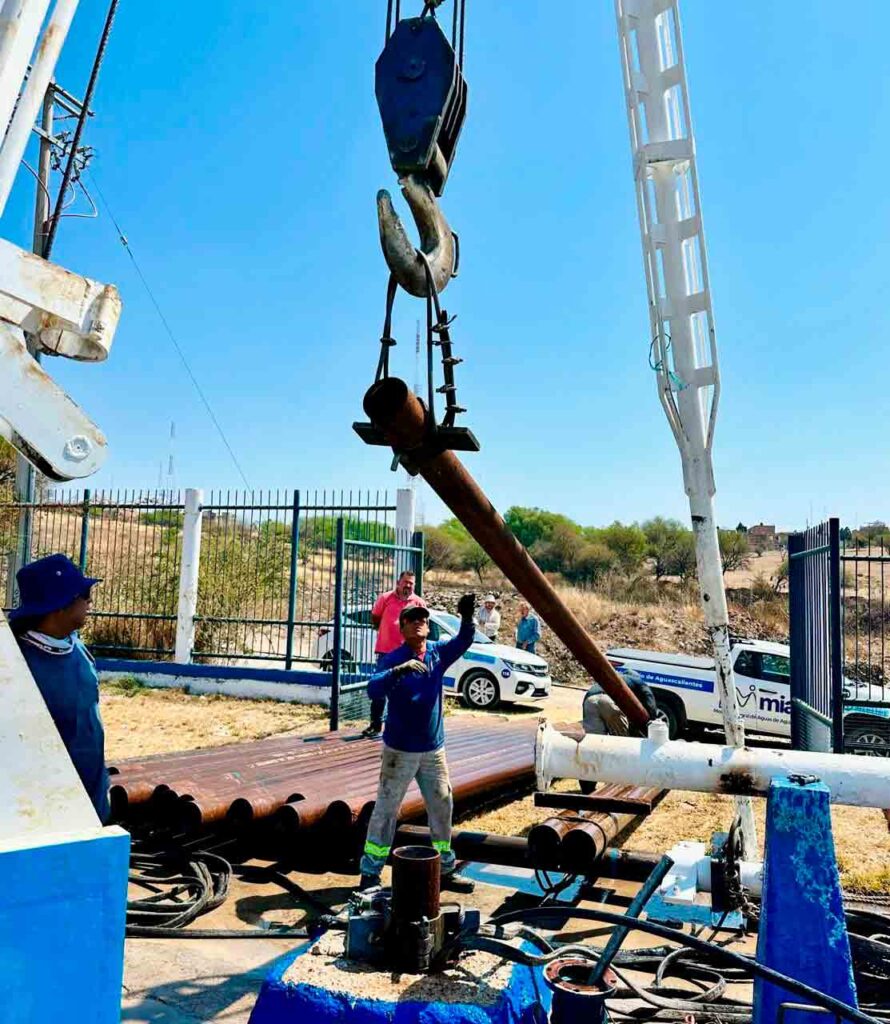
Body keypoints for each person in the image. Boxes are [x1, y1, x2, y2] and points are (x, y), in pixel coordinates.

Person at [359, 594, 477, 893]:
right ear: (403, 627)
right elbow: (373, 690)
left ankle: (445, 869)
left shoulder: (438, 653)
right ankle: (370, 874)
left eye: (423, 618)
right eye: (413, 619)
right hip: (399, 751)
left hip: (432, 751)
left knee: (442, 806)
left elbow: (463, 641)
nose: (420, 622)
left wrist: (467, 617)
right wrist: (398, 671)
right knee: (386, 810)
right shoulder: (394, 659)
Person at [8, 553, 110, 822]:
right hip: (47, 809)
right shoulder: (16, 665)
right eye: (84, 594)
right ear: (60, 605)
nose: (90, 601)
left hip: (93, 798)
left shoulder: (76, 647)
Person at [364, 570, 427, 739]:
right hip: (386, 652)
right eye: (405, 582)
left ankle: (405, 726)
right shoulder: (385, 599)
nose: (408, 586)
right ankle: (375, 725)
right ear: (398, 582)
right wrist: (386, 632)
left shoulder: (418, 603)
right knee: (380, 689)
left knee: (407, 690)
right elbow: (375, 618)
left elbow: (423, 626)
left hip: (407, 654)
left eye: (411, 583)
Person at [579, 668, 657, 794]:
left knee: (592, 747)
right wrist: (651, 723)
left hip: (589, 701)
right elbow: (650, 702)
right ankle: (620, 784)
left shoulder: (611, 679)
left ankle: (587, 788)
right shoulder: (637, 681)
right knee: (622, 745)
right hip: (607, 700)